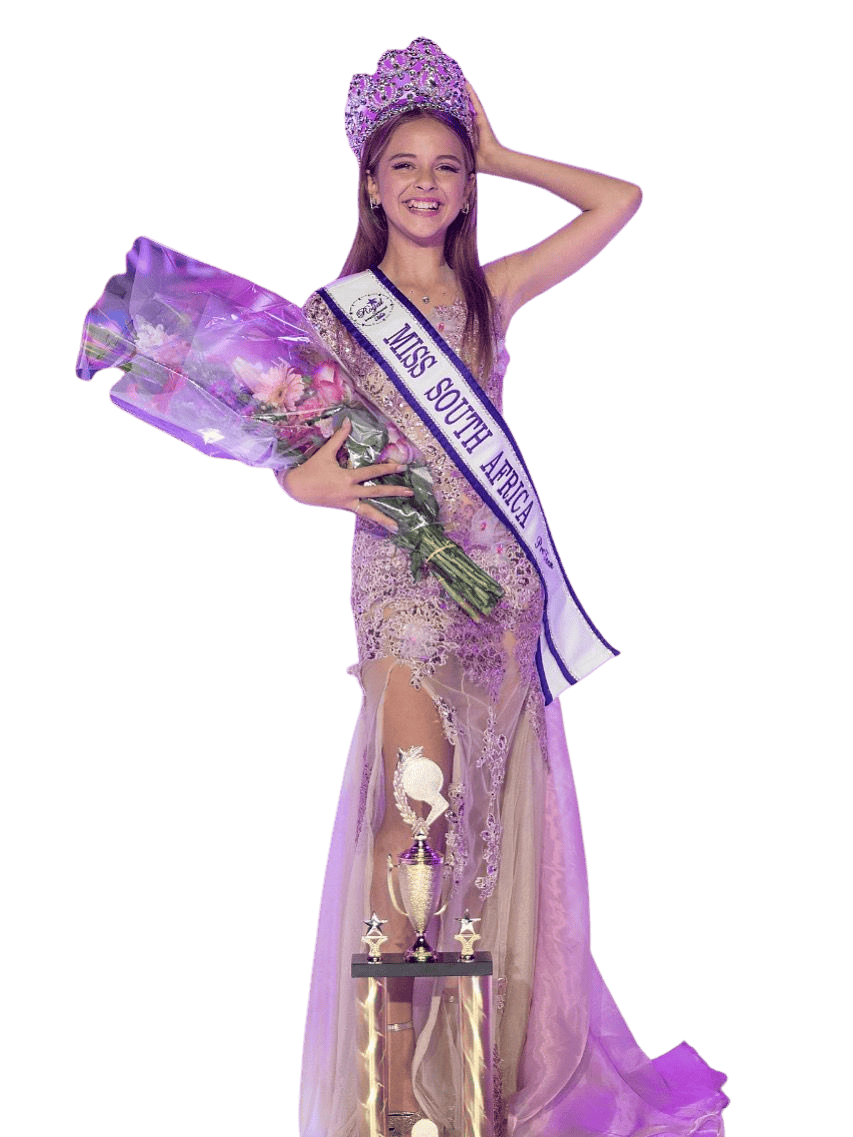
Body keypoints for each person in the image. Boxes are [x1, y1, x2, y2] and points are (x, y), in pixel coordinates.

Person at [282, 38, 728, 1137]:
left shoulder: (493, 292)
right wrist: (319, 485)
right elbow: (292, 463)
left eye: (446, 164)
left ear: (464, 184)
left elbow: (620, 200)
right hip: (401, 598)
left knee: (482, 851)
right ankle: (394, 1103)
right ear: (370, 186)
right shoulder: (337, 311)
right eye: (404, 166)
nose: (426, 183)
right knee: (409, 838)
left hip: (501, 604)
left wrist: (511, 149)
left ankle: (467, 1096)